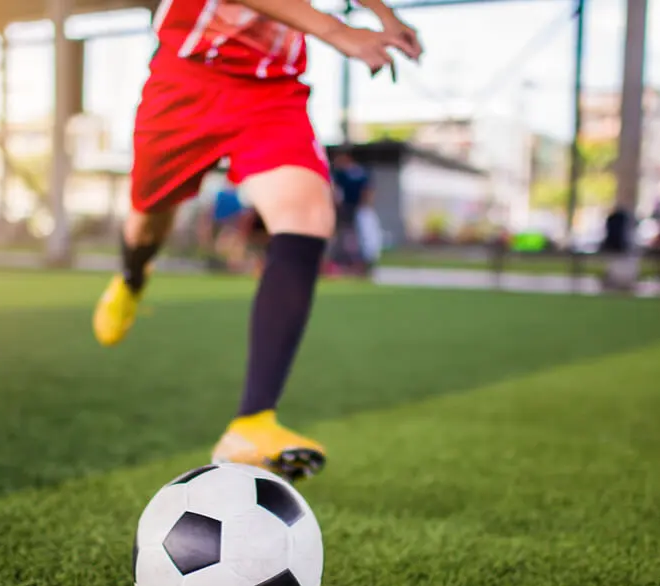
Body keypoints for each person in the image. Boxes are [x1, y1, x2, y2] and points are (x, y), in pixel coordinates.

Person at [93, 0, 422, 482]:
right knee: (147, 221)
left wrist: (384, 15)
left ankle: (252, 422)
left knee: (308, 213)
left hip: (271, 89)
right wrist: (337, 31)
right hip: (191, 73)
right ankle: (132, 275)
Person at [329, 150, 374, 274]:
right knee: (342, 237)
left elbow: (367, 190)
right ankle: (341, 264)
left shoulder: (359, 172)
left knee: (359, 236)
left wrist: (364, 205)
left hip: (357, 209)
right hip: (344, 209)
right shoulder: (339, 174)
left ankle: (362, 264)